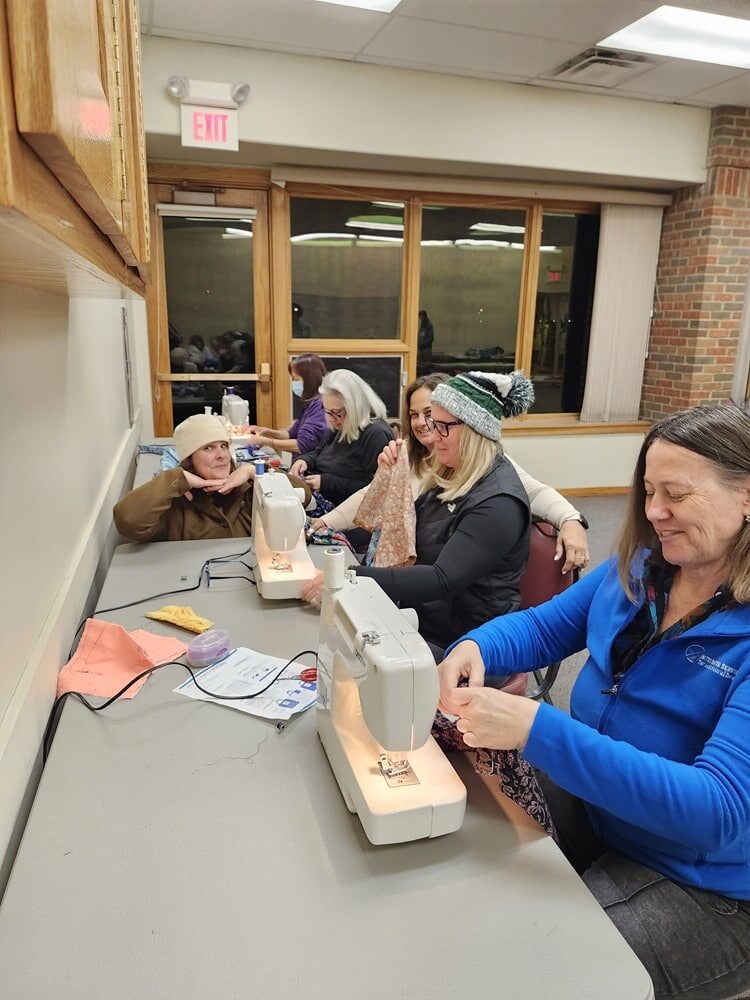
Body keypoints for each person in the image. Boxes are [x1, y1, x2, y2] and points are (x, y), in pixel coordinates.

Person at [439, 402, 750, 1000]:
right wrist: (475, 647)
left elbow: (718, 814)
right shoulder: (640, 568)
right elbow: (540, 629)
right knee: (461, 860)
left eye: (677, 494)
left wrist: (538, 728)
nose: (654, 512)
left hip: (704, 885)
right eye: (649, 490)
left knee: (540, 970)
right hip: (606, 815)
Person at [303, 370, 535, 657]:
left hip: (470, 644)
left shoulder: (498, 503)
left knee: (349, 659)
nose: (432, 436)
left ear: (476, 429)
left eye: (442, 427)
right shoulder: (449, 475)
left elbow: (441, 579)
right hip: (429, 620)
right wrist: (386, 476)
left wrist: (349, 575)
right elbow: (403, 521)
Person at [314, 373, 589, 574]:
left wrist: (571, 520)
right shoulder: (408, 452)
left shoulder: (483, 466)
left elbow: (534, 491)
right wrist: (326, 522)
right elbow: (369, 495)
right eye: (414, 414)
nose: (423, 423)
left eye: (431, 415)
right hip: (411, 574)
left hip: (433, 580)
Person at [113, 414, 310, 542]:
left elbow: (304, 496)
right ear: (190, 459)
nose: (221, 455)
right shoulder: (174, 504)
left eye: (224, 446)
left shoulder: (250, 490)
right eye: (208, 448)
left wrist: (254, 472)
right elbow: (128, 521)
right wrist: (178, 478)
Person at [289, 369, 393, 506]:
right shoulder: (339, 425)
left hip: (346, 515)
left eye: (337, 413)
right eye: (327, 412)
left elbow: (375, 491)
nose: (331, 420)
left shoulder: (376, 434)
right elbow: (319, 452)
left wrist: (326, 483)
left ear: (355, 407)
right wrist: (304, 461)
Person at [244, 354, 328, 455]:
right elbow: (290, 434)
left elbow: (301, 445)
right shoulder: (309, 405)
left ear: (309, 380)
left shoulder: (319, 407)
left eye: (296, 380)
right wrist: (266, 431)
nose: (294, 383)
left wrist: (265, 441)